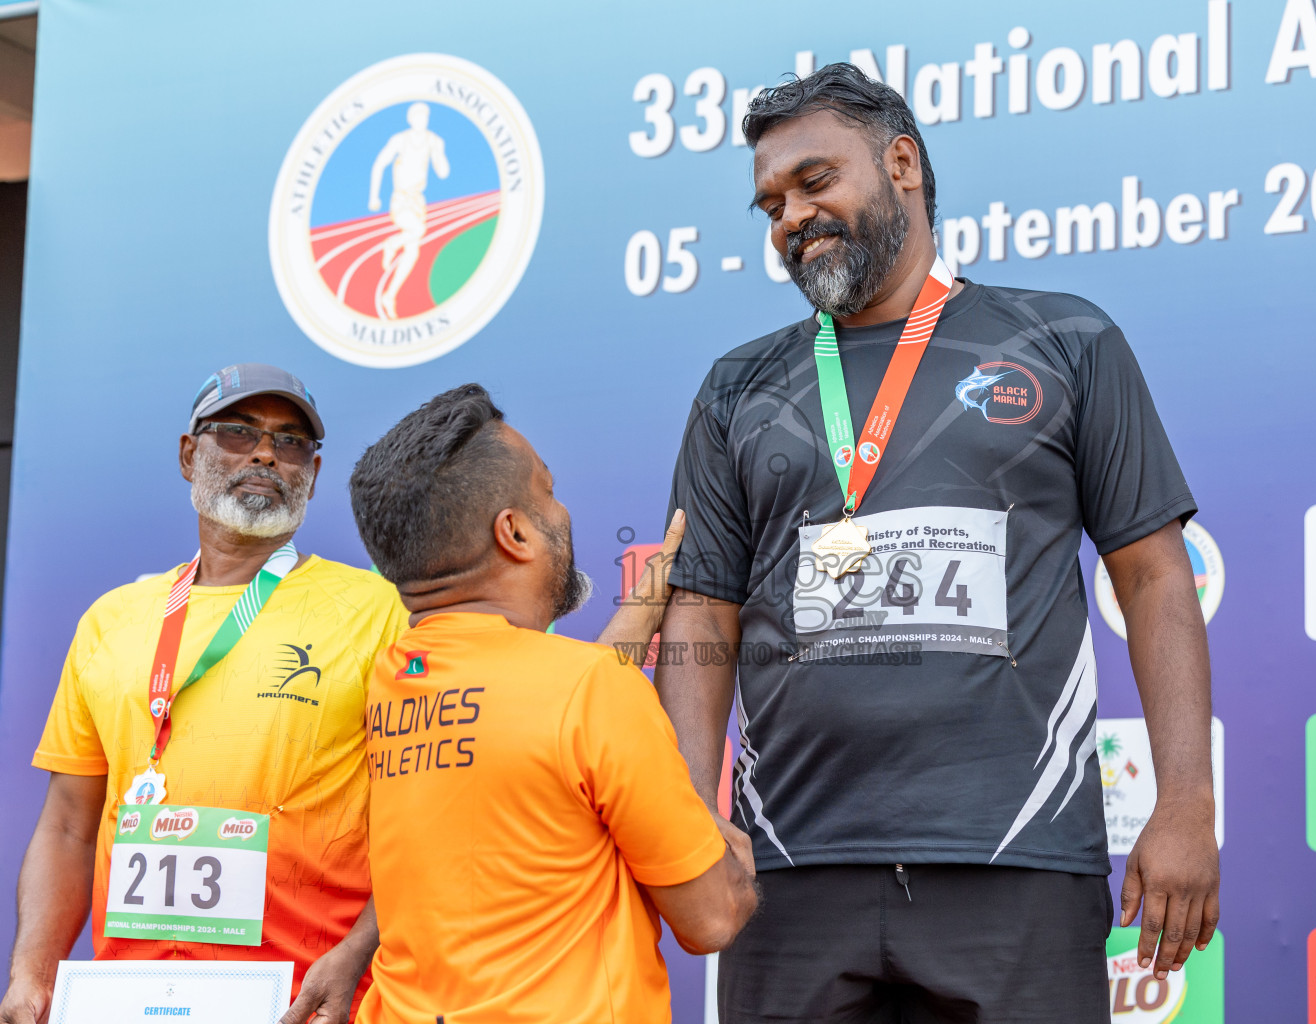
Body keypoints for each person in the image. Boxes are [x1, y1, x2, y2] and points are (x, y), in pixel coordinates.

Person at [657, 63, 1219, 1022]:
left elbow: (1157, 577)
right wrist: (687, 816)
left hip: (1015, 860)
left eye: (815, 180)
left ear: (902, 164)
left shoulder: (1067, 340)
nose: (791, 216)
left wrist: (1184, 804)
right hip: (790, 872)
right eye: (771, 204)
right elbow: (702, 609)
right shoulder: (736, 387)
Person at [0, 363, 404, 1024]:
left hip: (304, 1002)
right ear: (190, 456)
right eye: (238, 433)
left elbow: (421, 820)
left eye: (291, 440)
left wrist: (358, 954)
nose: (267, 453)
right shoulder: (112, 619)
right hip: (126, 1003)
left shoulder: (378, 611)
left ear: (315, 473)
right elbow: (69, 824)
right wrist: (31, 975)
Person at [347, 383, 757, 1024]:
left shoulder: (392, 679)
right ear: (513, 531)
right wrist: (728, 859)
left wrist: (649, 598)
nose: (562, 511)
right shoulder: (589, 694)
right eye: (549, 491)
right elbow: (710, 920)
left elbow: (542, 699)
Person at [367, 101, 449, 320]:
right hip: (401, 200)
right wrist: (374, 196)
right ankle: (392, 243)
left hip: (418, 202)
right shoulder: (400, 140)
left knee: (413, 252)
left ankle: (390, 296)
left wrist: (439, 151)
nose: (421, 120)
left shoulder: (433, 141)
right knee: (418, 230)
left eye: (425, 116)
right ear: (410, 119)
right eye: (417, 116)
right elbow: (379, 164)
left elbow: (442, 173)